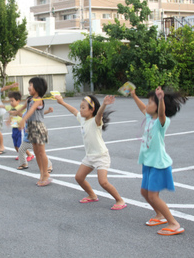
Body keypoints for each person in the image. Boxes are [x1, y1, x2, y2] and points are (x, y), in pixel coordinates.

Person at [131, 86, 187, 236]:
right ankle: (159, 215)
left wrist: (161, 99)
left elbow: (161, 113)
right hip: (148, 162)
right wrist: (134, 95)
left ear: (158, 107)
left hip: (158, 163)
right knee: (144, 192)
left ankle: (174, 223)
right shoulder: (149, 117)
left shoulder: (161, 122)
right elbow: (143, 107)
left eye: (150, 103)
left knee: (152, 196)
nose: (147, 105)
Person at [55, 94, 126, 210]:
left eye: (83, 107)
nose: (80, 110)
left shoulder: (96, 121)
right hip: (89, 157)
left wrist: (104, 104)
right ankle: (92, 195)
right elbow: (73, 111)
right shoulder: (82, 119)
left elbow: (99, 114)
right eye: (81, 107)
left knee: (103, 182)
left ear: (92, 109)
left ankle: (120, 200)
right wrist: (62, 102)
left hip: (101, 156)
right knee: (79, 177)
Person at [18, 77, 52, 186]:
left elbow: (32, 110)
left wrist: (23, 119)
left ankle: (46, 174)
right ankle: (42, 174)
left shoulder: (38, 100)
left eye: (30, 85)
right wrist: (13, 113)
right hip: (31, 127)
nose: (28, 87)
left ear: (37, 88)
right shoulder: (29, 99)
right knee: (37, 153)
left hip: (38, 127)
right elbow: (23, 108)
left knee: (41, 152)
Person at [0, 91, 34, 161]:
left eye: (12, 101)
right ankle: (21, 155)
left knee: (20, 144)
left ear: (18, 101)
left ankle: (30, 155)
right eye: (10, 101)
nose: (10, 102)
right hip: (14, 128)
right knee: (15, 145)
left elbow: (24, 115)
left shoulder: (21, 107)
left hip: (21, 128)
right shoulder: (9, 107)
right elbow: (3, 106)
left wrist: (15, 113)